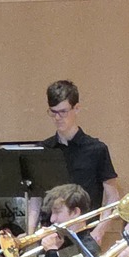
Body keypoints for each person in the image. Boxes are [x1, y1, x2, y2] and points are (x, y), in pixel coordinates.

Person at [29, 80, 119, 245]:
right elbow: (36, 198)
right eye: (53, 112)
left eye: (63, 111)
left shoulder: (96, 149)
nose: (57, 118)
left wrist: (99, 231)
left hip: (84, 236)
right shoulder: (43, 150)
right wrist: (30, 236)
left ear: (76, 108)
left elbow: (113, 197)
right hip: (50, 237)